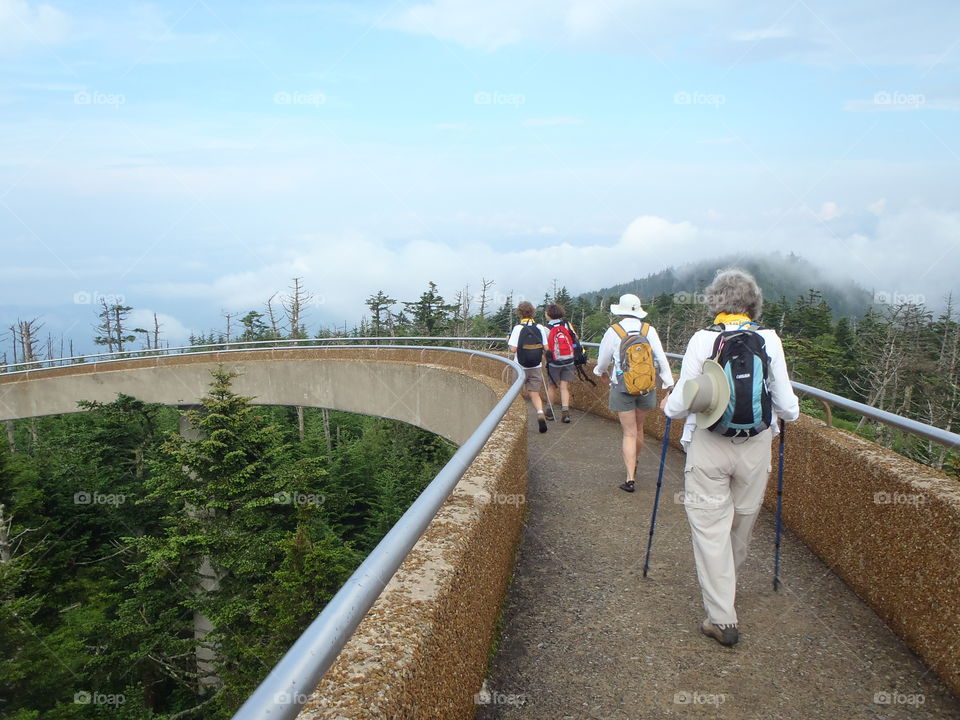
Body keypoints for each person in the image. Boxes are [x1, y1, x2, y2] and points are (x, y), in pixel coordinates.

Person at [662, 268, 799, 648]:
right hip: (756, 447)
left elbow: (678, 406)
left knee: (709, 529)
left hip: (709, 443)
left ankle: (721, 617)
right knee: (741, 524)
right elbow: (788, 408)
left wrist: (667, 404)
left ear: (715, 303)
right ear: (753, 303)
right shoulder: (770, 340)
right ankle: (727, 590)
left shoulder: (701, 340)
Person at [594, 293, 674, 492]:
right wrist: (669, 384)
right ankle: (635, 463)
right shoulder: (649, 330)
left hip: (622, 386)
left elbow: (603, 361)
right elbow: (661, 359)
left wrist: (601, 372)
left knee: (628, 432)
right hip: (646, 386)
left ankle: (630, 478)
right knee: (639, 428)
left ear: (620, 310)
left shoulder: (614, 331)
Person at [507, 301, 551, 433]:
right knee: (535, 394)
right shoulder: (540, 327)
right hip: (536, 365)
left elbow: (514, 349)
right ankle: (540, 413)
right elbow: (546, 348)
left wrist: (508, 341)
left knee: (516, 394)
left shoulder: (518, 328)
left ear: (519, 313)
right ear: (533, 312)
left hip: (520, 366)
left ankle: (516, 420)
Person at [544, 303, 578, 423]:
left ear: (548, 314)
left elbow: (545, 346)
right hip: (569, 360)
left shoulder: (546, 328)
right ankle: (565, 413)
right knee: (564, 387)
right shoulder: (567, 325)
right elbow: (575, 339)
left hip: (554, 362)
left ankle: (549, 411)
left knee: (552, 386)